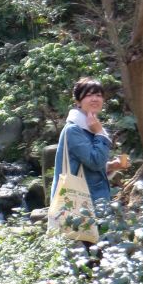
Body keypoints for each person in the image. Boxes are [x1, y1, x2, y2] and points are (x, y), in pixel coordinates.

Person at [50, 78, 129, 208]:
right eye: (89, 95)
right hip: (79, 205)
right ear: (78, 101)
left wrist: (111, 166)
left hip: (92, 200)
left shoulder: (90, 127)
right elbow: (95, 162)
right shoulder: (74, 130)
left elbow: (86, 166)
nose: (95, 99)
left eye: (98, 95)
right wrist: (100, 133)